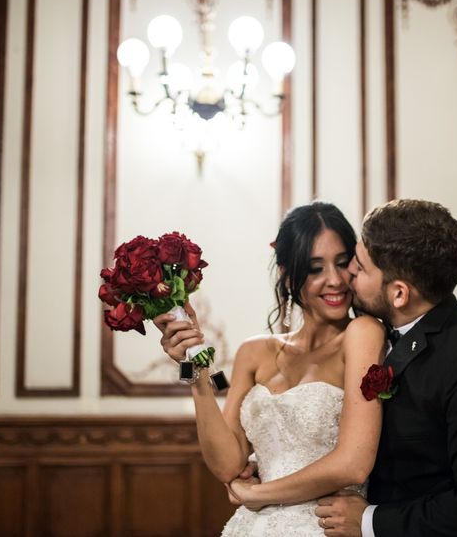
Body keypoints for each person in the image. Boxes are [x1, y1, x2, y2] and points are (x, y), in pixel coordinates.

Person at [154, 201, 386, 536]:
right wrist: (195, 369)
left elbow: (353, 465)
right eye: (315, 268)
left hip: (323, 527)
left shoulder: (362, 335)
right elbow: (228, 464)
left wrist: (256, 493)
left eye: (341, 264)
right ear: (288, 274)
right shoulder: (254, 351)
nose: (335, 280)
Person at [314, 199, 457, 537]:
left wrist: (370, 522)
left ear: (399, 294)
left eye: (362, 268)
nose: (348, 271)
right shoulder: (368, 335)